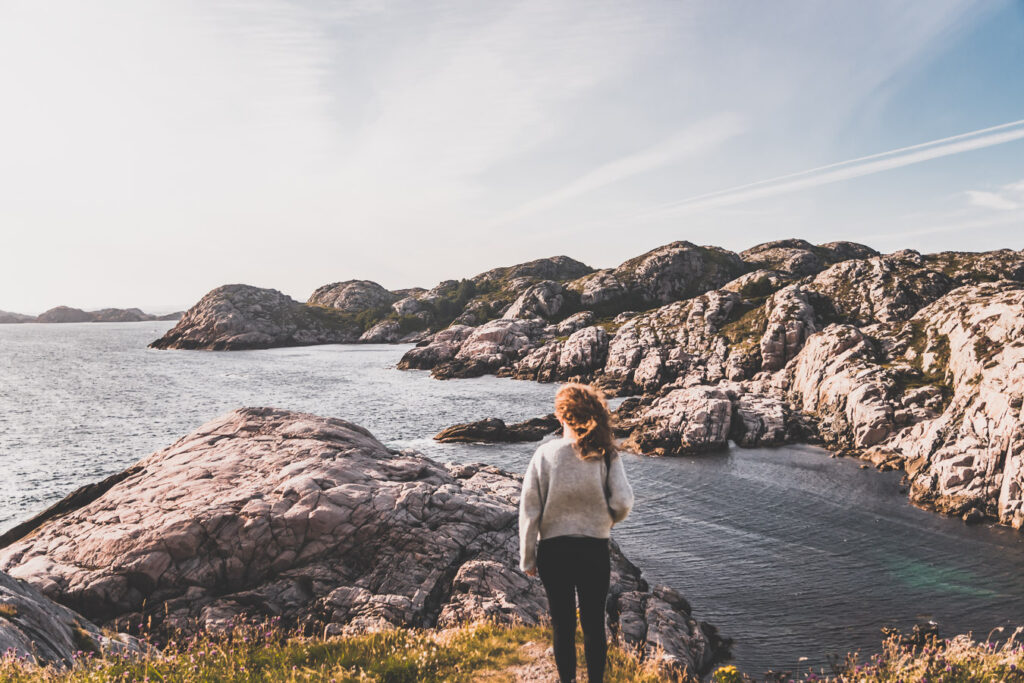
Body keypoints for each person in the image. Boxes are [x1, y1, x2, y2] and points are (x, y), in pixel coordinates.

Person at [519, 382, 634, 683]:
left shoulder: (544, 455)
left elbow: (530, 510)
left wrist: (528, 558)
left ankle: (567, 680)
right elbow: (622, 502)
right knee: (595, 623)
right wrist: (605, 521)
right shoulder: (606, 455)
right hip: (594, 550)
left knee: (563, 624)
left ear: (562, 417)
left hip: (553, 551)